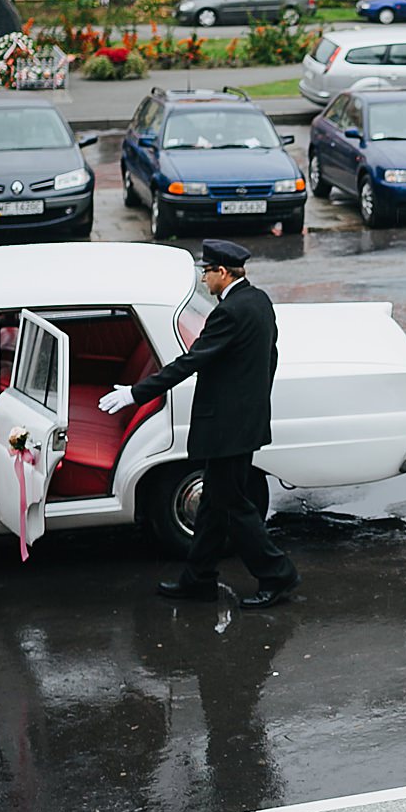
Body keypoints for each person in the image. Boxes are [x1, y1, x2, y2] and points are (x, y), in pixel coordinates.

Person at [98, 240, 300, 611]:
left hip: (226, 428)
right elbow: (269, 356)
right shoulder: (259, 301)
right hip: (245, 423)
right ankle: (199, 577)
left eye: (207, 272)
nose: (204, 278)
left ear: (223, 273)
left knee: (233, 505)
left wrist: (135, 394)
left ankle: (277, 573)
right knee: (213, 503)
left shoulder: (229, 313)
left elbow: (191, 362)